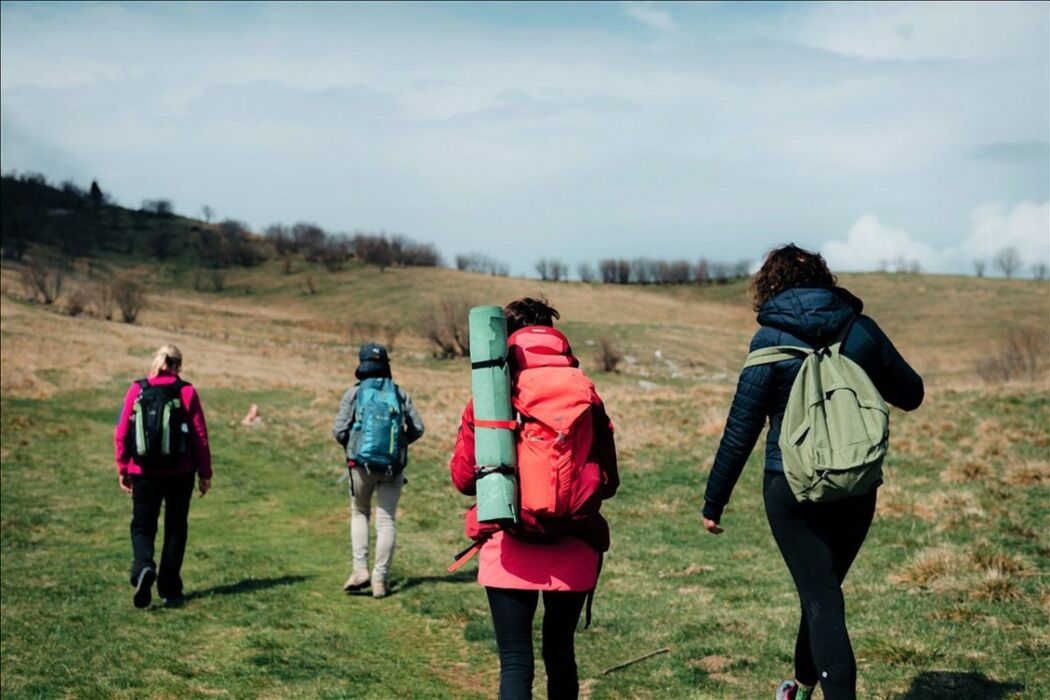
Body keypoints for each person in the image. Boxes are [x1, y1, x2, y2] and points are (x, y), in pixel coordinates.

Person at [701, 245, 924, 700]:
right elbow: (912, 394)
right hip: (855, 483)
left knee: (821, 596)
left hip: (790, 487)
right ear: (824, 279)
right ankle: (802, 687)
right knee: (823, 591)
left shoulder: (769, 342)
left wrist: (714, 501)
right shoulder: (860, 329)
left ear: (770, 286)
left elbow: (741, 428)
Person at [450, 297, 619, 700]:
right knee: (560, 654)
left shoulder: (493, 394)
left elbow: (464, 479)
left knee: (515, 660)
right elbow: (609, 482)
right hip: (574, 543)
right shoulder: (586, 394)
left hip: (510, 542)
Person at [114, 344, 212, 609]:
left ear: (157, 362)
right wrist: (205, 473)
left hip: (143, 471)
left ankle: (144, 567)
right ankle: (169, 589)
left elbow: (121, 432)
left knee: (143, 524)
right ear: (177, 366)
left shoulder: (137, 389)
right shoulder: (187, 391)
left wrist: (123, 467)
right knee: (176, 526)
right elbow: (199, 436)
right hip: (181, 472)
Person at [332, 342, 424, 598]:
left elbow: (338, 430)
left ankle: (360, 569)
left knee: (360, 512)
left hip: (361, 465)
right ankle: (380, 580)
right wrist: (399, 445)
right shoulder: (399, 393)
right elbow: (418, 428)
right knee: (386, 521)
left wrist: (353, 445)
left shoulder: (354, 393)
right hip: (393, 466)